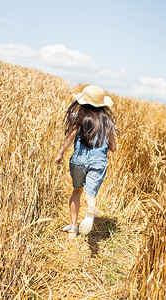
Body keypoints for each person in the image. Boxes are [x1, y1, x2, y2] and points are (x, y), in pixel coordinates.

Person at [55, 85, 117, 237]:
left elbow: (70, 137)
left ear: (83, 102)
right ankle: (90, 211)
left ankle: (72, 229)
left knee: (77, 190)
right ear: (102, 105)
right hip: (98, 161)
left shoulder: (79, 118)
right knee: (90, 195)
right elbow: (113, 147)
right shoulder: (107, 122)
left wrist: (60, 153)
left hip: (79, 160)